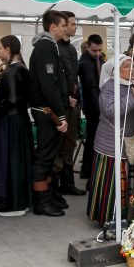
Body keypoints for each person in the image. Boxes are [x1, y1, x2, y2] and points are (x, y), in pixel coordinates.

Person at [87, 55, 134, 226]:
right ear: (114, 71)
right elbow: (110, 111)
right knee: (111, 183)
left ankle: (127, 216)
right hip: (110, 145)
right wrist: (132, 96)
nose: (131, 69)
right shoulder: (109, 87)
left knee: (129, 182)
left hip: (131, 141)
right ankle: (108, 217)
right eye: (126, 66)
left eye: (131, 66)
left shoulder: (133, 85)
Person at [29, 9, 69, 216]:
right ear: (52, 27)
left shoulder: (49, 46)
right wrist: (60, 114)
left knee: (50, 155)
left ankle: (50, 194)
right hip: (46, 111)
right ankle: (41, 202)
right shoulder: (45, 48)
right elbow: (49, 84)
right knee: (44, 156)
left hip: (49, 109)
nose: (66, 29)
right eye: (63, 25)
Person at [0, 35, 34, 216]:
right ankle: (20, 200)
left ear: (8, 49)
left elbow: (12, 99)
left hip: (10, 122)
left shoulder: (11, 71)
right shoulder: (21, 69)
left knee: (10, 161)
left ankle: (14, 202)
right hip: (20, 120)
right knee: (20, 161)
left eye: (0, 49)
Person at [53, 12, 85, 197]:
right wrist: (65, 98)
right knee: (60, 145)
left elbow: (73, 76)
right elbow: (55, 79)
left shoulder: (72, 49)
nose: (75, 27)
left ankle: (67, 182)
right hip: (62, 104)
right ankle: (56, 185)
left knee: (70, 143)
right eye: (73, 24)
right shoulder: (54, 48)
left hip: (73, 103)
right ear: (63, 25)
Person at [78, 33, 105, 180]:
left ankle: (89, 168)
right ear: (88, 47)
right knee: (92, 138)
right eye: (94, 50)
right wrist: (101, 109)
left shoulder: (98, 58)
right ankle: (87, 169)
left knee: (94, 137)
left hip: (96, 104)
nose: (98, 53)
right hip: (92, 106)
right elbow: (93, 87)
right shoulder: (85, 63)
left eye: (100, 50)